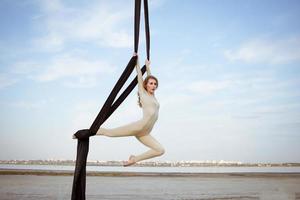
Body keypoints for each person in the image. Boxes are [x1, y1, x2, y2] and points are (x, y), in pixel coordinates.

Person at [74, 53, 165, 166]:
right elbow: (140, 75)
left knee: (160, 150)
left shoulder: (153, 96)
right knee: (110, 133)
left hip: (145, 133)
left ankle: (134, 159)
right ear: (145, 85)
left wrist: (148, 66)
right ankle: (81, 133)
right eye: (151, 84)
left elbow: (149, 78)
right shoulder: (143, 93)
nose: (154, 85)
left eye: (155, 84)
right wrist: (137, 61)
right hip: (138, 127)